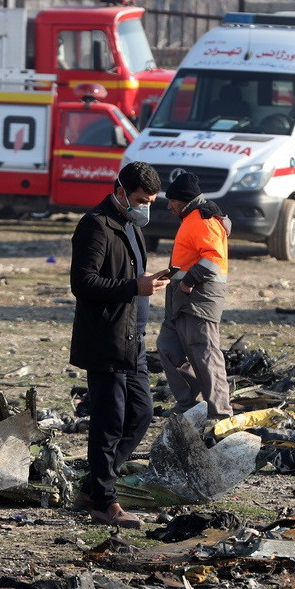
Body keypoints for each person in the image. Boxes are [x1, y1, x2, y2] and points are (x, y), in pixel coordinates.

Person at [68, 160, 170, 528]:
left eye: (151, 201)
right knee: (109, 421)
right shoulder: (96, 225)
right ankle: (104, 502)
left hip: (134, 340)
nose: (146, 207)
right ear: (120, 190)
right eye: (141, 199)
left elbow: (130, 274)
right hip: (106, 339)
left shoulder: (130, 226)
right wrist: (134, 288)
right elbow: (83, 283)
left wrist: (146, 281)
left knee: (140, 414)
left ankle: (92, 487)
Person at [156, 170, 232, 421]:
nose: (169, 206)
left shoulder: (202, 219)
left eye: (172, 202)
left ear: (184, 200)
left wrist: (188, 282)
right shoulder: (192, 218)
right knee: (168, 347)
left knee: (205, 354)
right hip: (182, 297)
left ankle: (219, 412)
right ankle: (190, 402)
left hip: (199, 298)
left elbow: (213, 258)